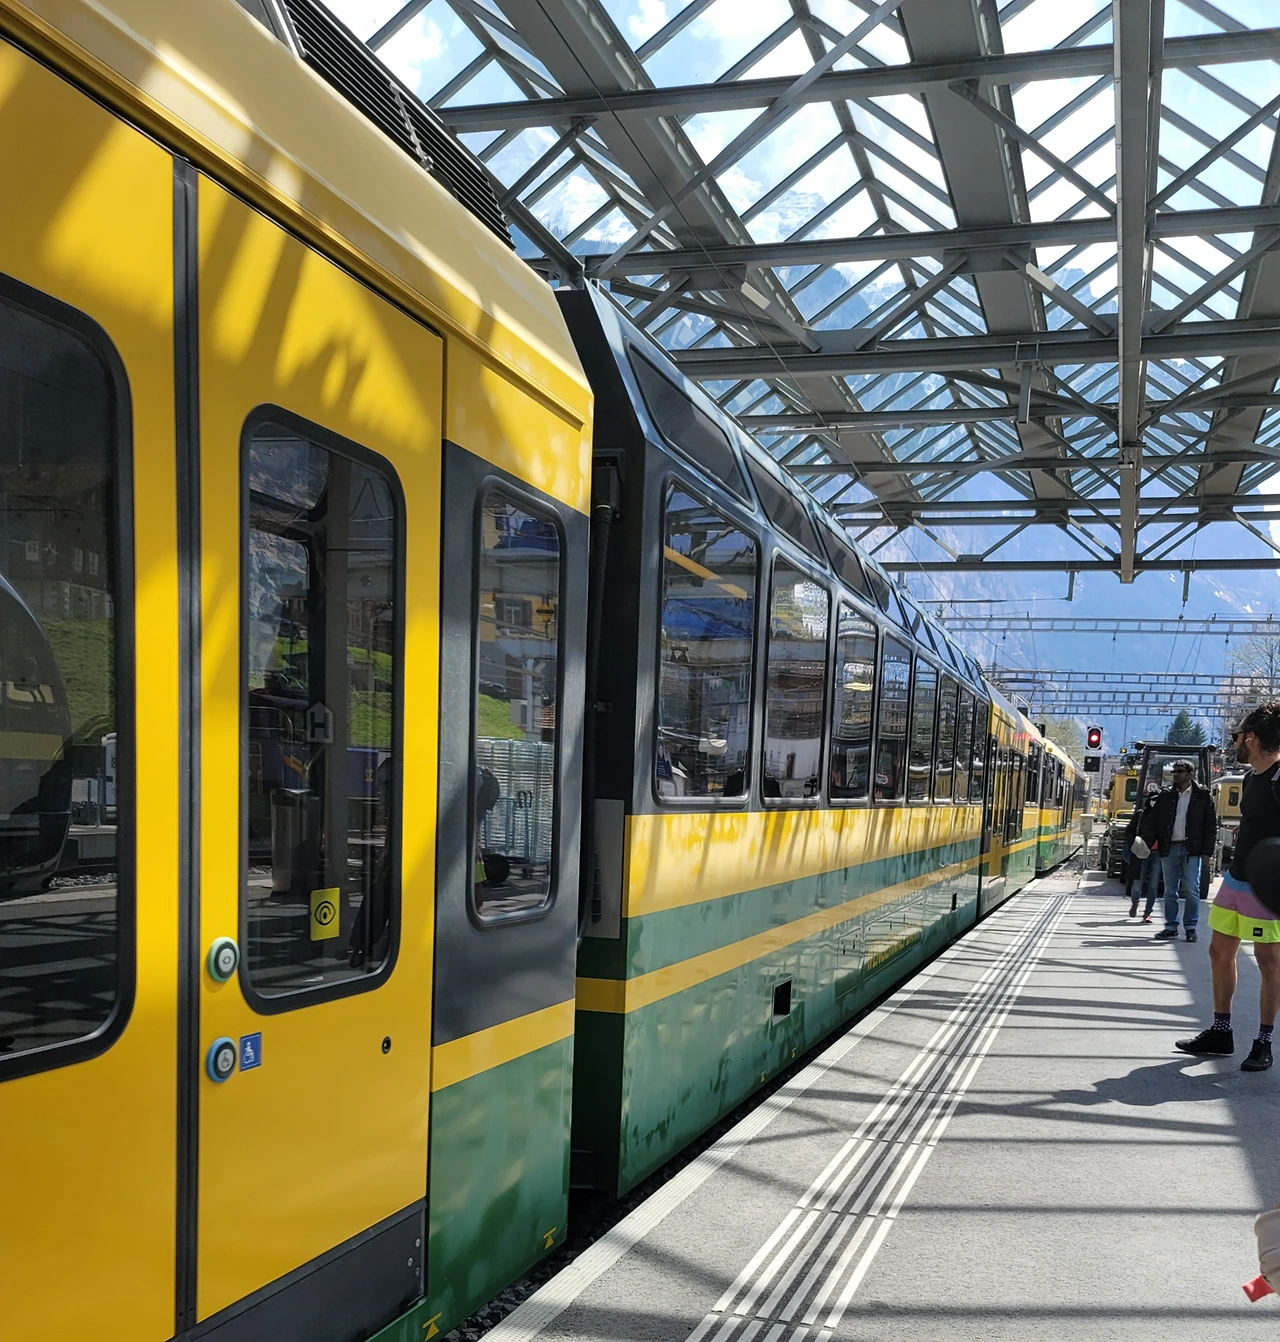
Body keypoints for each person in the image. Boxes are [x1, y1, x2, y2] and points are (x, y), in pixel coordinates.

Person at [1176, 703, 1280, 1072]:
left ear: (1250, 738)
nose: (1233, 742)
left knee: (1269, 962)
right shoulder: (1251, 779)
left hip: (1268, 886)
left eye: (1236, 736)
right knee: (1219, 951)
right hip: (1236, 879)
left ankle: (1264, 1042)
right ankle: (1221, 1033)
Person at [1140, 758, 1215, 942]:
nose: (1175, 774)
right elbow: (1153, 822)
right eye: (1173, 771)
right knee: (1169, 890)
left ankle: (1190, 928)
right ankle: (1171, 926)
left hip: (1192, 850)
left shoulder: (1202, 795)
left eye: (1180, 771)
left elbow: (1210, 825)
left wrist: (1207, 852)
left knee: (1192, 889)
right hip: (1170, 847)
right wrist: (1145, 844)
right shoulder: (1165, 795)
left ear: (1190, 774)